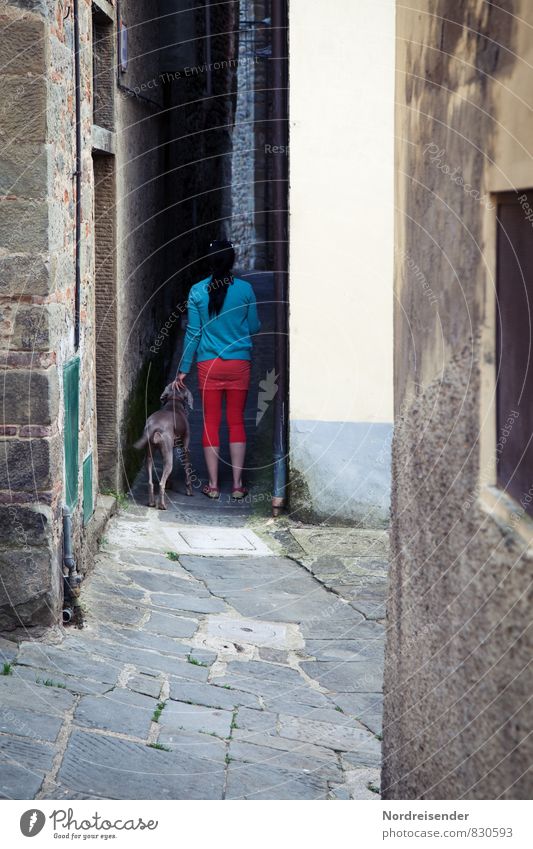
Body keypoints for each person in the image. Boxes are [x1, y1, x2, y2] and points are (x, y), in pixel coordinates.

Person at [174, 240, 261, 499]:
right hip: (238, 364)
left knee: (210, 422)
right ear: (232, 261)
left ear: (209, 262)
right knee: (236, 421)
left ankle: (212, 485)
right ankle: (237, 485)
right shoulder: (245, 289)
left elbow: (193, 333)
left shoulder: (197, 291)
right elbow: (255, 325)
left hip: (208, 365)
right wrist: (236, 331)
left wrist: (183, 369)